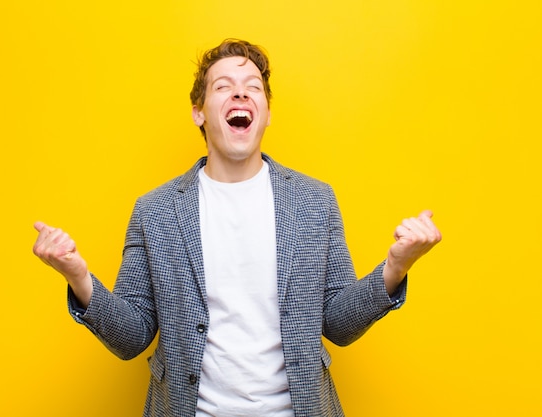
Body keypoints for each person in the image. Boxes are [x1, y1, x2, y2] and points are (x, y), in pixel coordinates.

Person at [32, 39, 442, 417]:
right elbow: (132, 335)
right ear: (199, 111)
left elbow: (337, 323)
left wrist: (395, 267)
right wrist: (78, 277)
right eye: (223, 86)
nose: (241, 93)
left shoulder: (315, 201)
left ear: (266, 112)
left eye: (253, 87)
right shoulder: (154, 211)